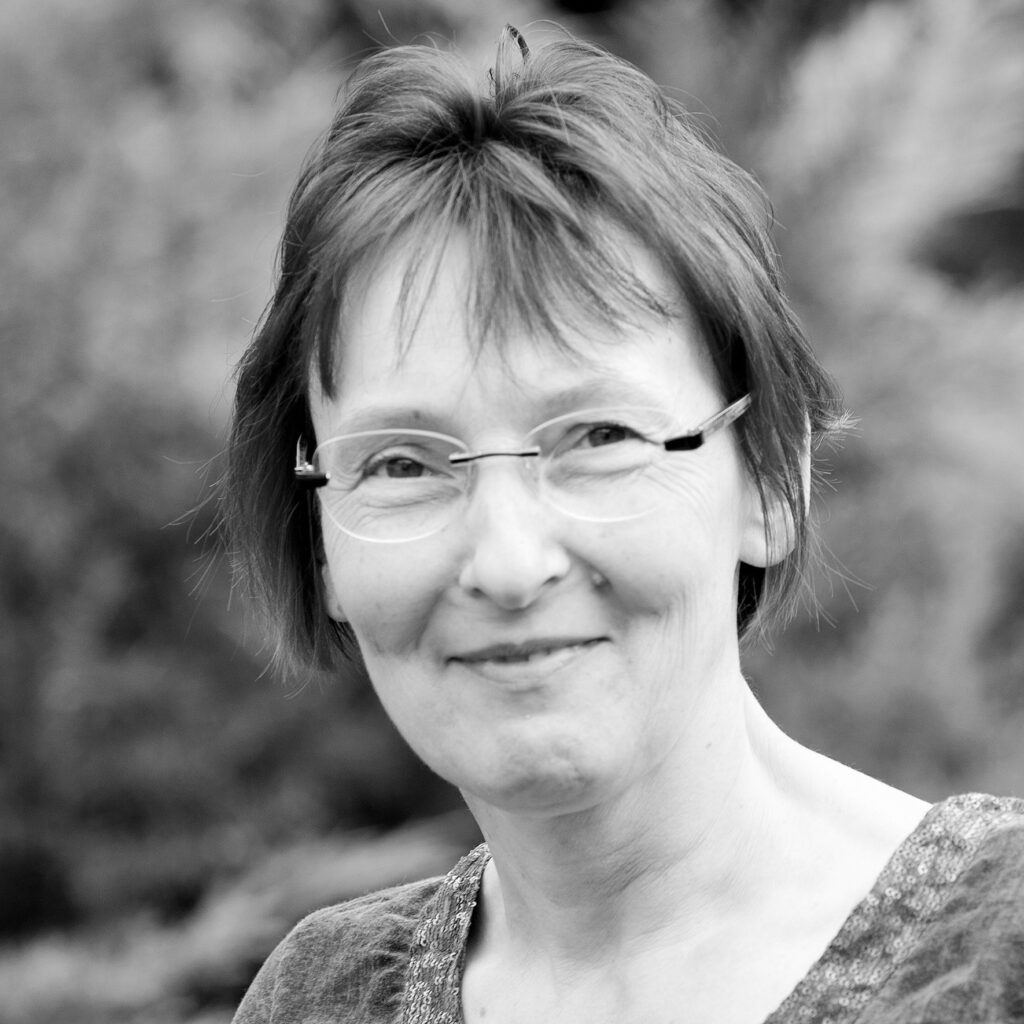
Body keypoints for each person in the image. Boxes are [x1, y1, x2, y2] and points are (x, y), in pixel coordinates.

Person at [224, 26, 1024, 1024]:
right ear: (320, 535)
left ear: (770, 479)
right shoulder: (322, 998)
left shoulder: (998, 951)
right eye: (402, 463)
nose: (508, 564)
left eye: (599, 437)